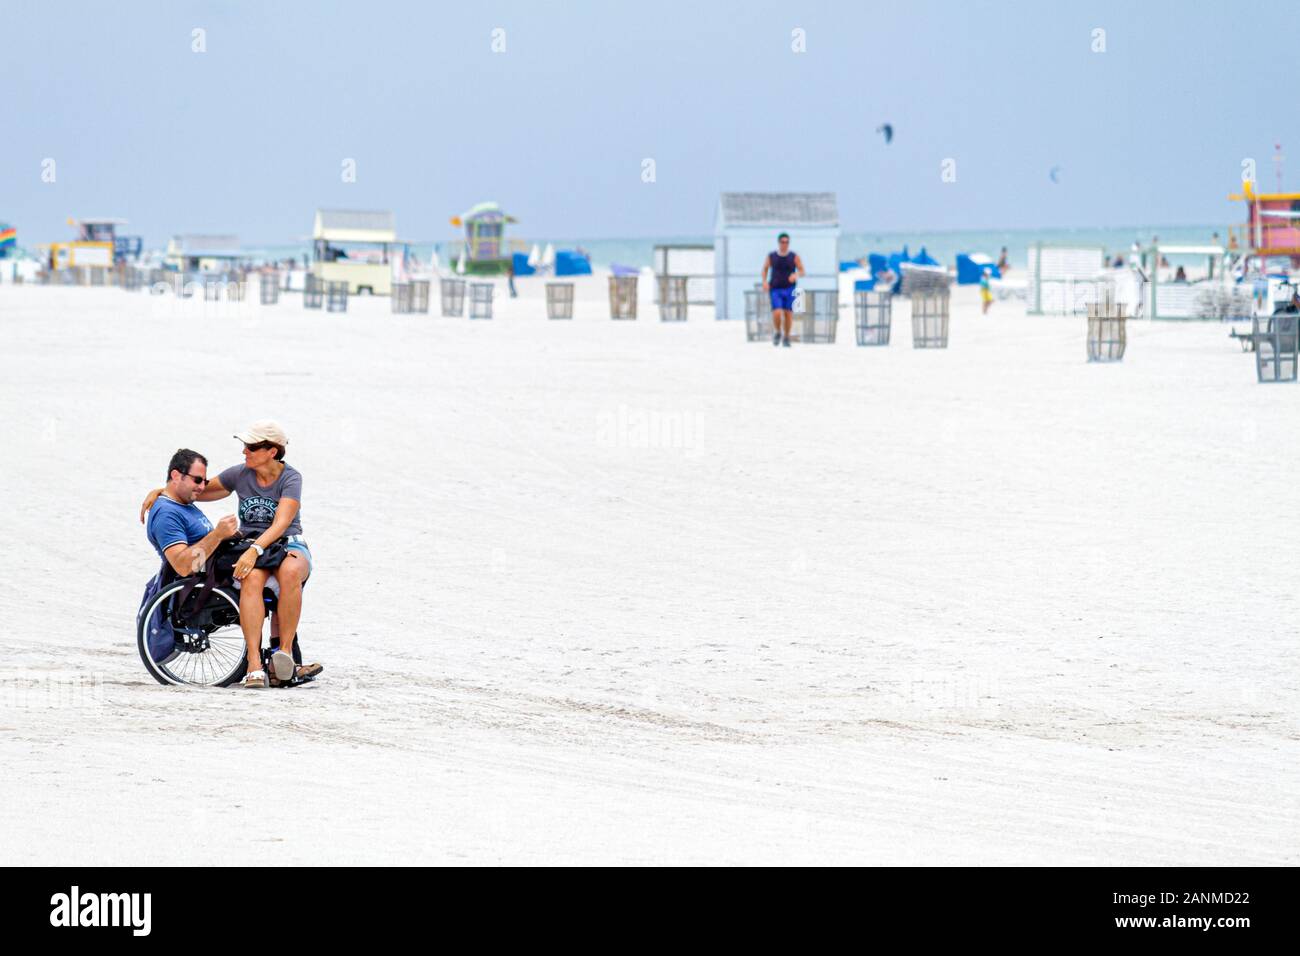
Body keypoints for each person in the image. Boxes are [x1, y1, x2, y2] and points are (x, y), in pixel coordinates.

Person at [141, 421, 321, 689]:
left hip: (284, 542)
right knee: (251, 579)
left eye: (251, 446)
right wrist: (160, 491)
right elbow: (198, 489)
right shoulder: (240, 474)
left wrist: (254, 550)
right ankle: (254, 665)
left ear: (272, 451)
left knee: (289, 572)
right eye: (245, 446)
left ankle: (283, 657)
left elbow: (282, 522)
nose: (244, 451)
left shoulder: (291, 478)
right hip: (250, 546)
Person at [761, 232, 805, 347]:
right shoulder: (772, 256)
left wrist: (796, 275)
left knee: (788, 313)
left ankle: (786, 337)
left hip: (789, 288)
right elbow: (765, 269)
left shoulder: (793, 256)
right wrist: (764, 282)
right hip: (775, 288)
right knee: (777, 312)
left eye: (787, 242)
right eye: (782, 242)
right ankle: (777, 332)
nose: (785, 244)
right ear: (779, 243)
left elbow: (802, 270)